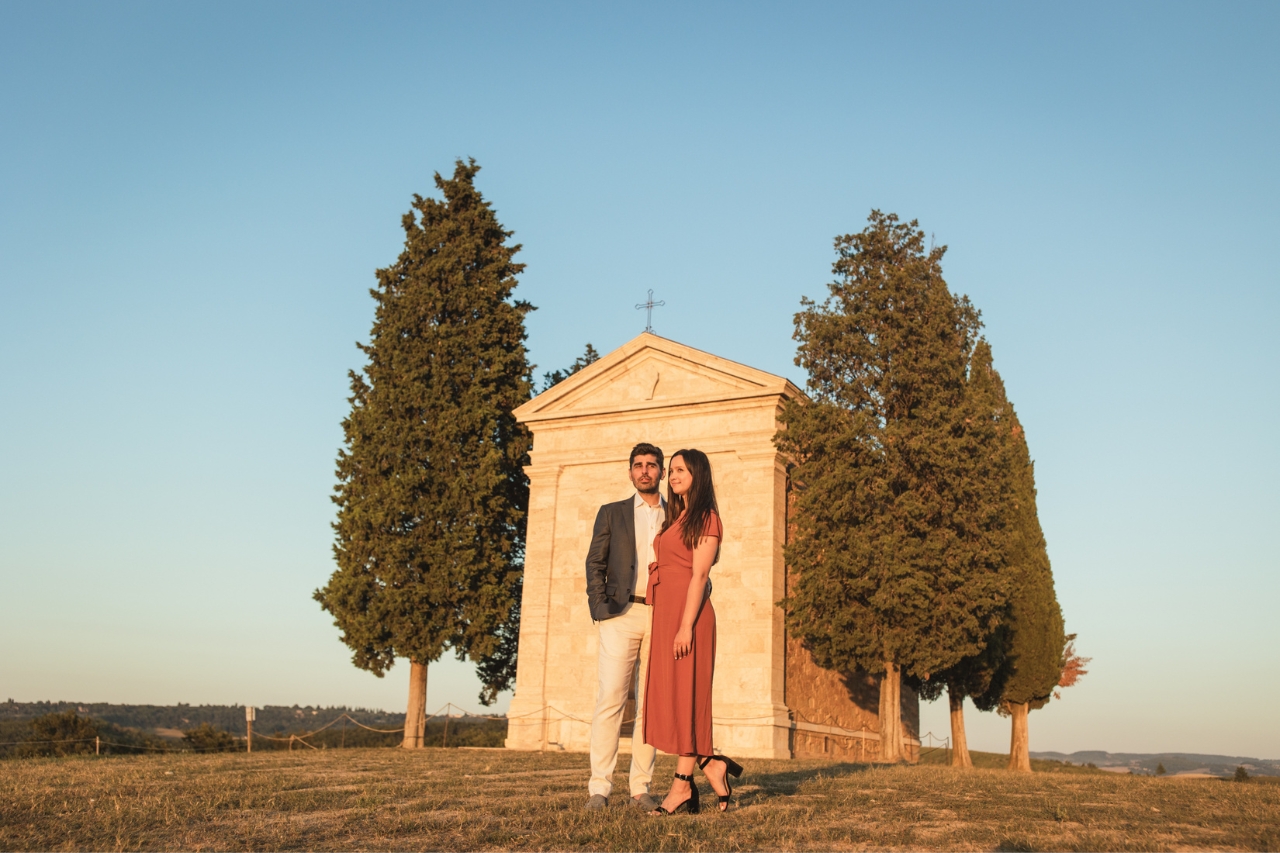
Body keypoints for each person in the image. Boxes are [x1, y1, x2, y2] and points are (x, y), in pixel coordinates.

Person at [643, 448, 743, 814]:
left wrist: (685, 627)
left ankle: (681, 788)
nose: (672, 476)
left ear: (698, 473)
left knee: (686, 699)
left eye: (680, 470)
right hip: (668, 615)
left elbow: (699, 575)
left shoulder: (707, 518)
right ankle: (710, 764)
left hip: (691, 618)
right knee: (672, 698)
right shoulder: (678, 516)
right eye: (670, 471)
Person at [583, 443, 667, 811]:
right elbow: (594, 563)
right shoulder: (612, 513)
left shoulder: (678, 513)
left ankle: (640, 787)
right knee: (610, 700)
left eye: (651, 465)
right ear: (630, 472)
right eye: (638, 465)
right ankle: (599, 789)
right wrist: (600, 608)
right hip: (620, 614)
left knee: (650, 705)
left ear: (662, 472)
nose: (645, 471)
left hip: (663, 615)